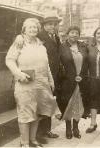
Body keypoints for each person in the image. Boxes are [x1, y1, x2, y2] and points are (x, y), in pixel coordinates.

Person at [5, 18, 57, 147]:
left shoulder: (41, 44)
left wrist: (50, 80)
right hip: (25, 83)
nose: (33, 29)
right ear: (24, 30)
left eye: (35, 27)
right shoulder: (20, 42)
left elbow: (47, 65)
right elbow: (9, 60)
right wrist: (18, 73)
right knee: (25, 112)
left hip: (41, 84)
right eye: (30, 27)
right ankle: (24, 143)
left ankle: (33, 140)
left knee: (37, 112)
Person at [57, 26, 89, 139]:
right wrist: (68, 76)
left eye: (76, 33)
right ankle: (68, 127)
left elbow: (87, 63)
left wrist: (82, 76)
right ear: (67, 34)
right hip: (67, 80)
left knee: (78, 103)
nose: (74, 35)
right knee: (68, 103)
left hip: (81, 80)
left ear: (79, 35)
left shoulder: (84, 46)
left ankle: (76, 128)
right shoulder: (62, 47)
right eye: (72, 32)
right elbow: (59, 65)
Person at [37, 12, 61, 143]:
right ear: (44, 25)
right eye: (50, 24)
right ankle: (39, 133)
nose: (52, 26)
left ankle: (47, 130)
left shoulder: (56, 37)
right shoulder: (40, 37)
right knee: (42, 103)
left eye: (55, 24)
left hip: (54, 75)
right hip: (43, 75)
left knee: (50, 101)